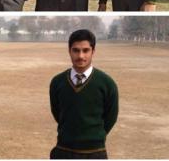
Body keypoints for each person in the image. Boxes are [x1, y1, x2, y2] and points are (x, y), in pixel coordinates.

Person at [49, 29, 118, 159]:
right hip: (63, 150)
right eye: (76, 50)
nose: (80, 56)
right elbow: (57, 112)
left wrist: (95, 135)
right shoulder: (57, 82)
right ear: (69, 51)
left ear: (93, 51)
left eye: (86, 50)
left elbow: (111, 117)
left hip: (95, 152)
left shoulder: (107, 83)